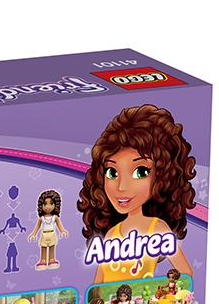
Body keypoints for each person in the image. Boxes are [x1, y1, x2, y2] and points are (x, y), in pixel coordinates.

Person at [79, 105, 196, 284]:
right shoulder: (111, 234)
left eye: (140, 172)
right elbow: (97, 285)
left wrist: (160, 293)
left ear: (162, 176)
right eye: (112, 173)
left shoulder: (157, 228)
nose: (122, 187)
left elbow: (186, 274)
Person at [28, 190, 68, 269]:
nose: (48, 207)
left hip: (52, 233)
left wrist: (62, 231)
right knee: (43, 247)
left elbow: (59, 225)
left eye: (51, 204)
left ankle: (51, 259)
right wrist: (34, 234)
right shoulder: (42, 218)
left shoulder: (55, 217)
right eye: (45, 204)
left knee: (52, 246)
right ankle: (43, 260)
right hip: (44, 234)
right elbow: (37, 227)